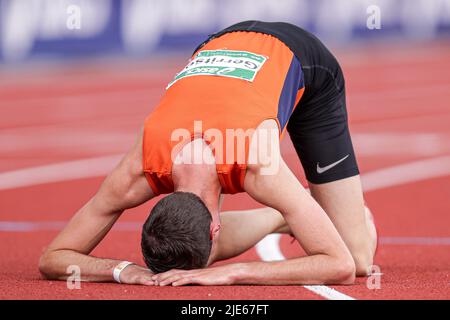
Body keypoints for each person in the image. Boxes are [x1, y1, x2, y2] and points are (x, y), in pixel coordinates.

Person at [39, 21, 377, 286]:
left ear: (217, 230)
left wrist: (234, 272)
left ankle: (297, 210)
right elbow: (52, 257)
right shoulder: (136, 173)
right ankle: (287, 215)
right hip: (218, 48)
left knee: (359, 257)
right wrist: (123, 270)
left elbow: (342, 266)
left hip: (304, 58)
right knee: (187, 254)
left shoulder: (257, 164)